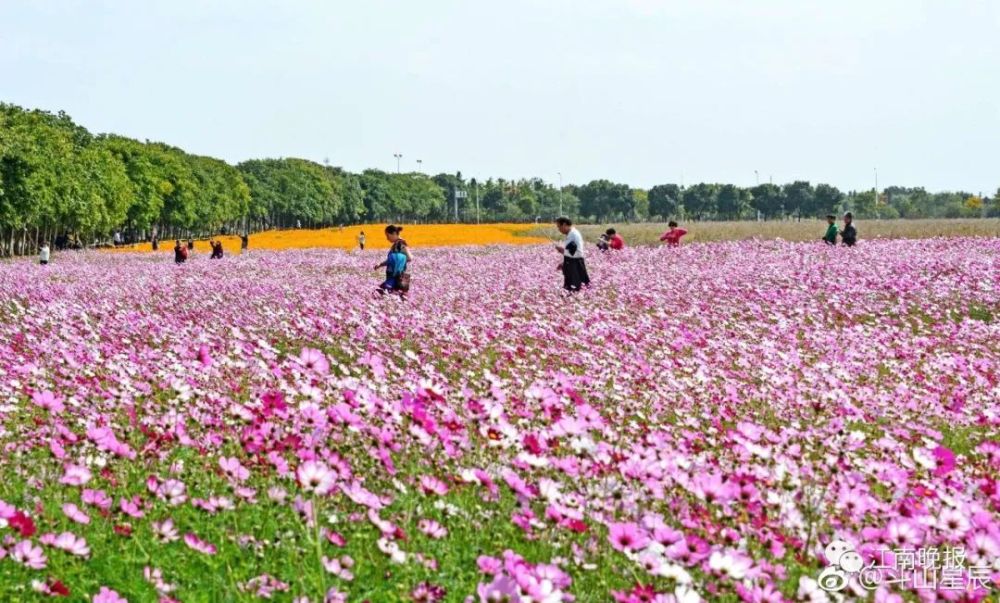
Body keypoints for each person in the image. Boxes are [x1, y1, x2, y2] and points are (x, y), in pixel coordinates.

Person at [376, 225, 412, 298]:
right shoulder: (396, 244)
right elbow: (391, 260)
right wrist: (380, 264)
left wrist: (399, 263)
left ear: (394, 233)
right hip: (394, 275)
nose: (387, 238)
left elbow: (410, 257)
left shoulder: (401, 243)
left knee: (380, 293)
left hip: (396, 276)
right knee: (391, 294)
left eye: (388, 236)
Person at [554, 217, 590, 292]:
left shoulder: (574, 234)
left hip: (575, 266)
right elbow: (571, 251)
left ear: (564, 224)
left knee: (575, 289)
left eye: (559, 227)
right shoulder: (570, 234)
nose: (558, 229)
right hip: (570, 264)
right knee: (569, 289)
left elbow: (579, 253)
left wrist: (563, 251)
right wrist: (563, 262)